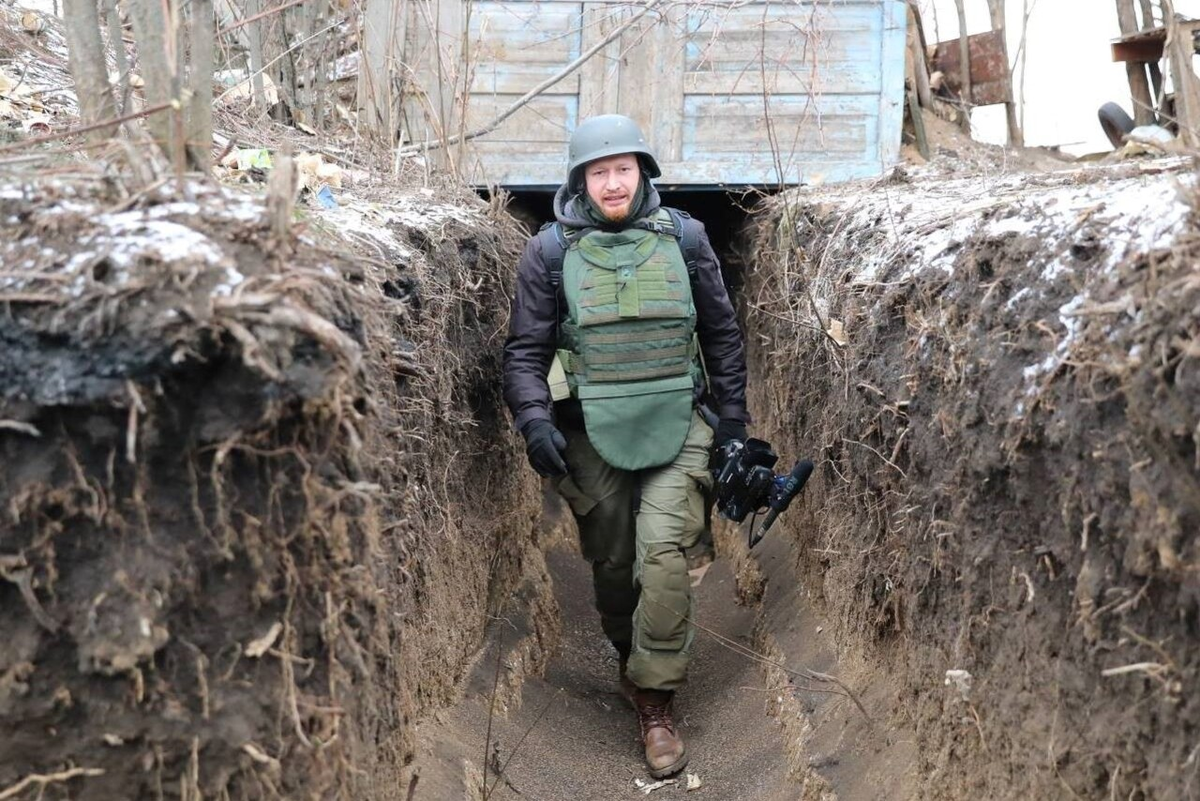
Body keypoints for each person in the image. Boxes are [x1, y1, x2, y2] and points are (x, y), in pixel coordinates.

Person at [502, 114, 749, 778]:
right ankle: (629, 657)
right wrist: (535, 422)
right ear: (581, 179)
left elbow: (723, 338)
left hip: (679, 418)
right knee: (614, 562)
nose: (613, 183)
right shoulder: (549, 253)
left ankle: (655, 698)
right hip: (590, 428)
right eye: (599, 171)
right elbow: (524, 353)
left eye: (624, 169)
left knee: (663, 552)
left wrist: (732, 430)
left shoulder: (687, 238)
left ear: (643, 172)